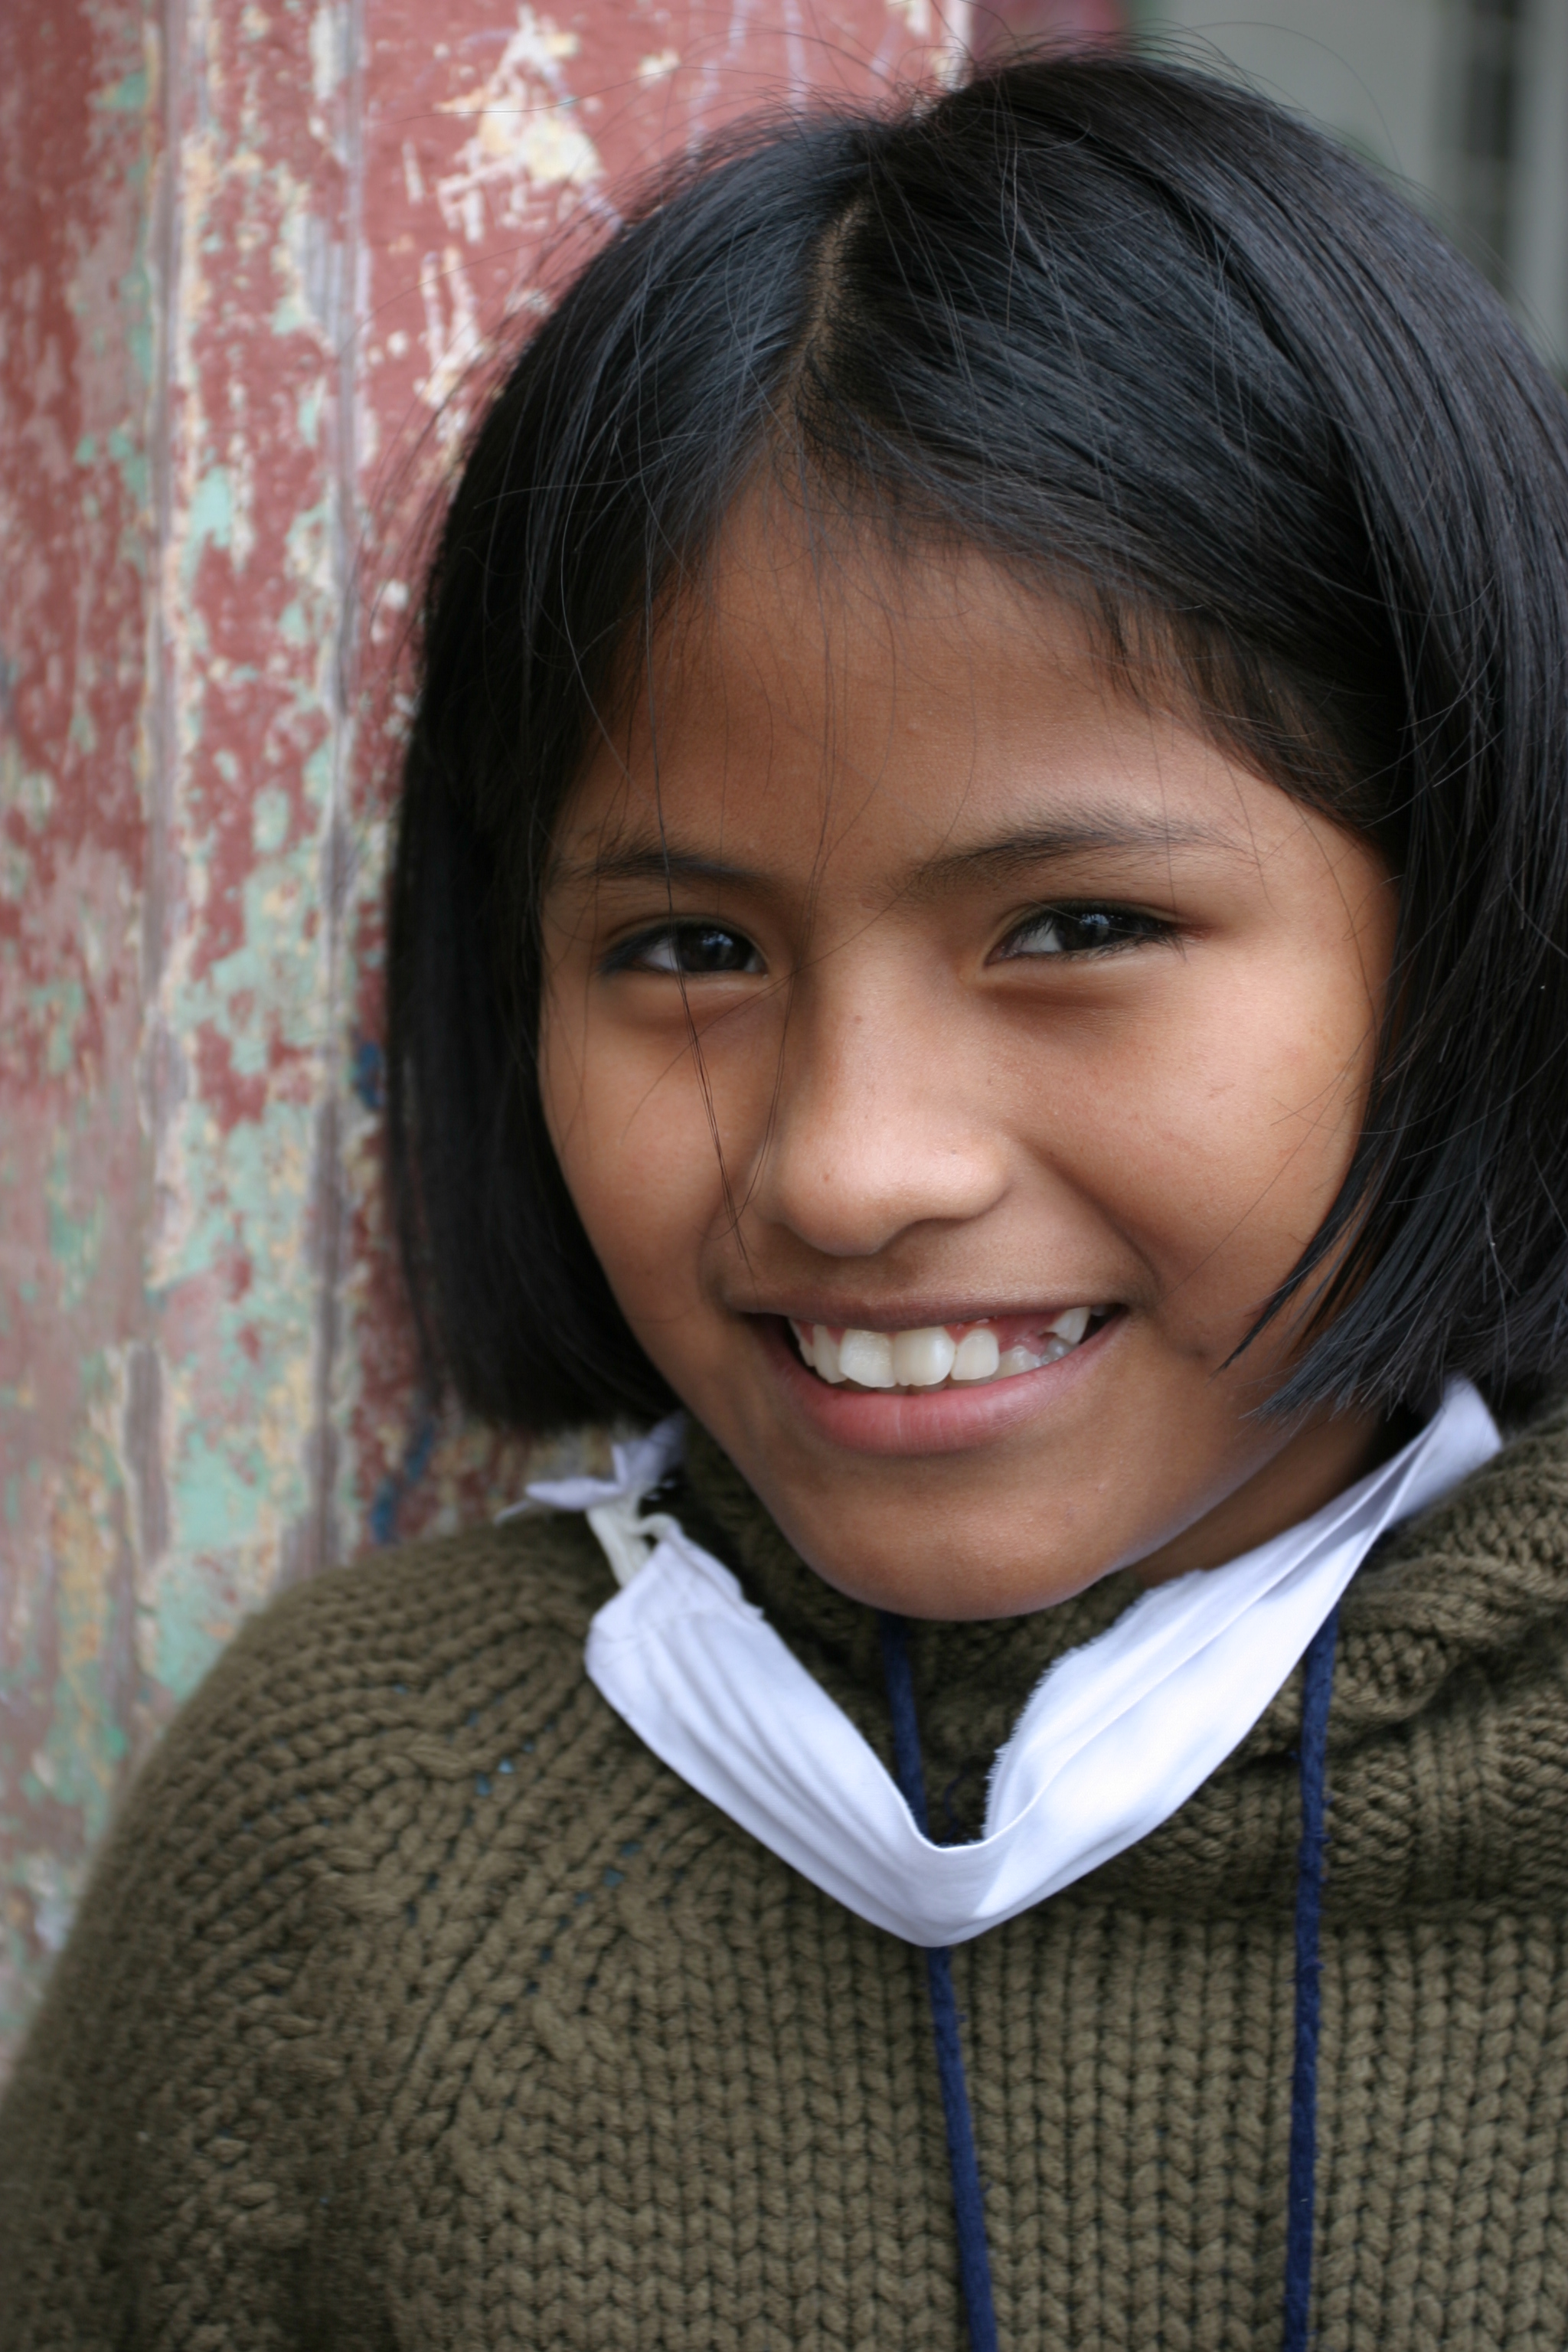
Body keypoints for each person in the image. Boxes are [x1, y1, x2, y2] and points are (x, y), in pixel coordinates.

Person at [5, 47, 1568, 2351]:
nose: (850, 1166)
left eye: (1076, 928)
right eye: (689, 953)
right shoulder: (347, 1869)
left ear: (1468, 935)